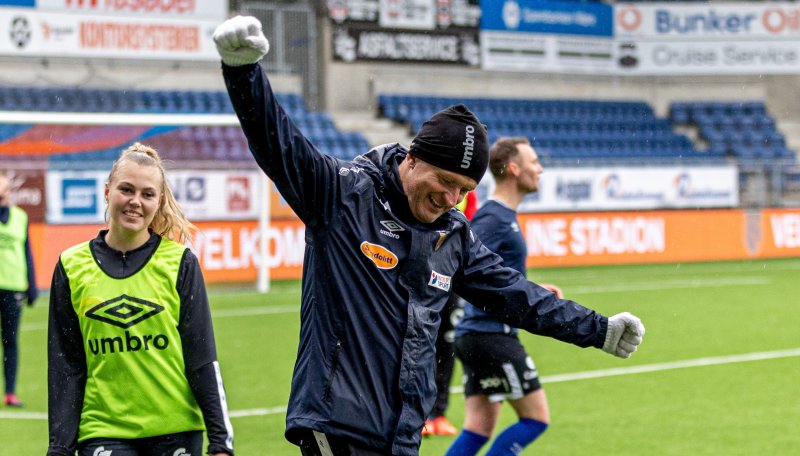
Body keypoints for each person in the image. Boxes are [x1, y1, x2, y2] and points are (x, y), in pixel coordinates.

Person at [213, 16, 645, 456]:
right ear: (414, 159)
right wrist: (242, 69)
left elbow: (516, 295)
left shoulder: (453, 234)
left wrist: (598, 330)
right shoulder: (342, 194)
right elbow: (278, 144)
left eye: (465, 189)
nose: (452, 198)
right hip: (339, 424)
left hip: (403, 430)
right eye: (445, 180)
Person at [46, 143, 234, 456]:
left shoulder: (180, 262)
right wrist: (60, 448)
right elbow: (66, 366)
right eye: (126, 190)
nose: (135, 202)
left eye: (147, 194)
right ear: (107, 192)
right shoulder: (71, 266)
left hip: (176, 432)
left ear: (159, 201)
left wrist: (220, 442)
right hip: (103, 431)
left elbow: (202, 357)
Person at [445, 136, 568, 455]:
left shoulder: (501, 217)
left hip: (478, 336)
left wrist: (532, 290)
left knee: (478, 427)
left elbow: (492, 275)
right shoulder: (493, 218)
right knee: (535, 419)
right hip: (490, 336)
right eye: (534, 163)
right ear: (513, 169)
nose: (539, 169)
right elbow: (466, 268)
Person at [422, 190, 478, 437]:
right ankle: (419, 414)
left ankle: (439, 414)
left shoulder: (469, 194)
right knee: (421, 344)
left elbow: (468, 231)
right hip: (424, 274)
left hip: (451, 278)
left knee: (447, 346)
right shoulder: (433, 185)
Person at [0, 170, 37, 408]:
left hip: (13, 287)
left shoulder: (20, 217)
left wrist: (31, 285)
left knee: (10, 341)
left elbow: (27, 252)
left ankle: (10, 392)